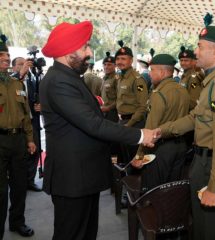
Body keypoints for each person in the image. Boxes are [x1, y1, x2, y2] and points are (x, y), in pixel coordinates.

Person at [39, 21, 157, 240]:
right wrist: (141, 134)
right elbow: (93, 124)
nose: (90, 52)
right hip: (72, 178)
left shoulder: (69, 77)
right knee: (72, 233)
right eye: (84, 47)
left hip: (82, 176)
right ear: (67, 52)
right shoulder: (58, 81)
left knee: (86, 233)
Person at [154, 14, 215, 240]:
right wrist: (160, 130)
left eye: (200, 47)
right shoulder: (213, 81)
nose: (196, 51)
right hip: (207, 160)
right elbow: (195, 118)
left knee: (206, 229)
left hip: (212, 164)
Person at [131, 54, 190, 192]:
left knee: (155, 192)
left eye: (152, 70)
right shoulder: (183, 90)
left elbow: (151, 127)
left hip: (160, 149)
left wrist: (139, 156)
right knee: (173, 191)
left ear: (162, 72)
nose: (149, 74)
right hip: (181, 146)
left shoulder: (159, 93)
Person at [0, 34, 36, 238]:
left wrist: (30, 139)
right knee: (0, 191)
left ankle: (17, 222)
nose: (6, 58)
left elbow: (25, 116)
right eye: (1, 55)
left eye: (7, 55)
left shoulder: (17, 85)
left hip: (18, 141)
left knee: (20, 186)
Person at [114, 40, 149, 165]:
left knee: (133, 159)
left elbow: (142, 106)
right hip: (122, 122)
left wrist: (129, 124)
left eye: (123, 58)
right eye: (118, 59)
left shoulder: (137, 79)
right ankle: (124, 181)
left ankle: (134, 183)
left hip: (134, 123)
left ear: (131, 60)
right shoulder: (120, 77)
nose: (119, 62)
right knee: (123, 156)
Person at [11, 57, 42, 192]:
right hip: (16, 125)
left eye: (25, 64)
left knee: (34, 151)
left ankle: (29, 181)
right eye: (20, 64)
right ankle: (18, 183)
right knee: (19, 155)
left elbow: (33, 100)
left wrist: (39, 106)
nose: (24, 66)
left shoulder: (31, 81)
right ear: (13, 68)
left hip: (32, 122)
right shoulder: (9, 82)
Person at [178, 46, 204, 111]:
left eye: (186, 61)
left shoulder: (193, 78)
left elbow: (194, 101)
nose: (183, 63)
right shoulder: (185, 76)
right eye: (181, 60)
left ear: (194, 62)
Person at [100, 52, 118, 123]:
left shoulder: (116, 78)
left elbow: (120, 98)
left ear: (115, 66)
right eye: (105, 64)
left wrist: (108, 108)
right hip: (104, 112)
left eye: (109, 65)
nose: (106, 67)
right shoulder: (104, 78)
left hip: (113, 113)